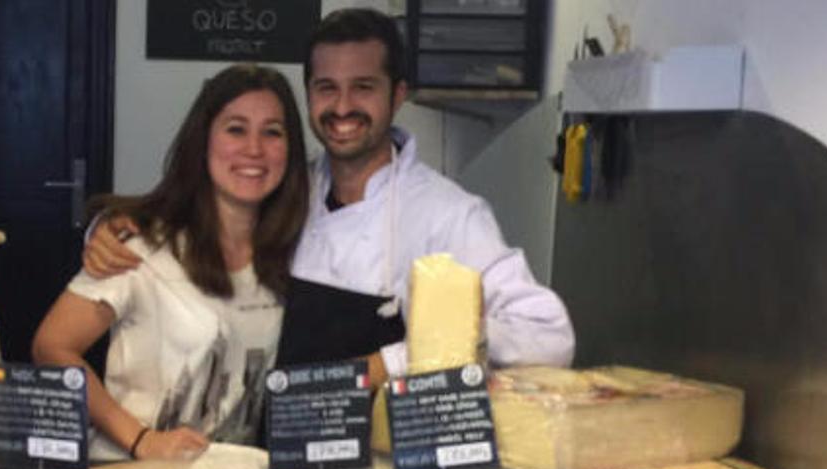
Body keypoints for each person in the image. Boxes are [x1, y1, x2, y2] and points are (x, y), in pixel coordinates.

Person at [82, 9, 574, 385]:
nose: (342, 107)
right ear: (309, 95)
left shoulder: (450, 215)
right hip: (275, 458)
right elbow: (196, 215)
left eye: (363, 88)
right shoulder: (286, 189)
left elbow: (550, 336)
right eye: (326, 88)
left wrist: (399, 357)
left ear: (397, 94)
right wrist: (111, 228)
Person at [32, 64, 310, 461]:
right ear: (203, 141)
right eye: (235, 129)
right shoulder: (139, 245)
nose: (254, 148)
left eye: (272, 132)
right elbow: (52, 346)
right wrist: (142, 439)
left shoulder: (294, 253)